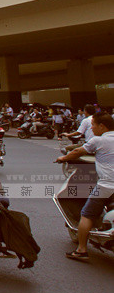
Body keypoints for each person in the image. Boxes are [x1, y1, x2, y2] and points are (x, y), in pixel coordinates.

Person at [55, 111, 114, 262]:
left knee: (86, 214)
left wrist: (62, 158)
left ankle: (81, 250)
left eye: (93, 125)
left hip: (107, 186)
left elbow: (77, 151)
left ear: (102, 126)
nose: (92, 128)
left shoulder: (98, 141)